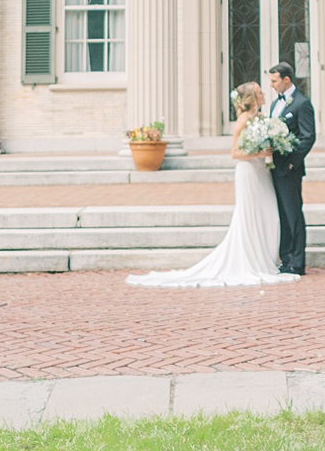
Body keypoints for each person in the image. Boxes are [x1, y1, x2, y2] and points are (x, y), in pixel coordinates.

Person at [125, 83, 299, 288]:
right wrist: (260, 154)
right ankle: (252, 261)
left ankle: (267, 258)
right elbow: (234, 153)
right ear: (252, 98)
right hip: (249, 172)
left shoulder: (261, 119)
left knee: (268, 214)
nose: (263, 94)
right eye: (260, 92)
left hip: (262, 173)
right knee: (250, 214)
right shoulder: (243, 120)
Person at [264, 60, 315, 275]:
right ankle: (285, 258)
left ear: (286, 79)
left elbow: (308, 136)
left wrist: (294, 160)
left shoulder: (302, 103)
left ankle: (297, 261)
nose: (272, 85)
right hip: (274, 167)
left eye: (275, 81)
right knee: (282, 214)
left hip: (290, 168)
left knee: (293, 213)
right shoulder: (275, 104)